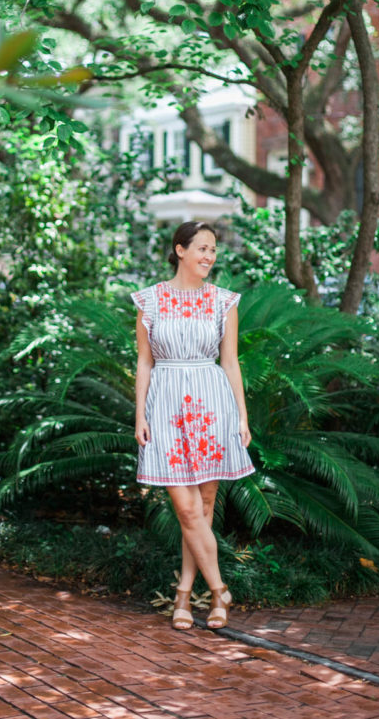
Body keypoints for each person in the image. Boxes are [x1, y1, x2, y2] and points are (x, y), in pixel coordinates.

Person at [132, 220, 254, 632]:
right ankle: (220, 590)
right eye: (202, 248)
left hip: (210, 404)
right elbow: (145, 361)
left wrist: (242, 415)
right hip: (165, 405)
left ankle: (184, 596)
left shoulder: (224, 301)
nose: (209, 257)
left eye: (213, 250)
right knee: (185, 509)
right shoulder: (149, 301)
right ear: (180, 250)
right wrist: (140, 415)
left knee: (202, 509)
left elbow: (230, 361)